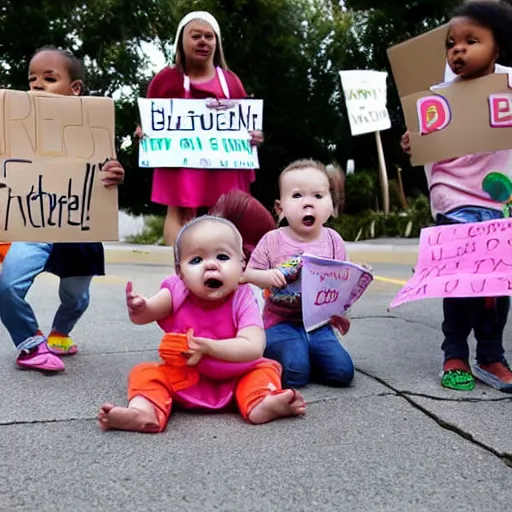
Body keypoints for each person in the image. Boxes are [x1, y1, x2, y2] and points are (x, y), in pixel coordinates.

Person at [98, 216, 306, 433]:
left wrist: (209, 348)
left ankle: (261, 403)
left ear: (242, 264)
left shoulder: (242, 297)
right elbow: (147, 314)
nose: (211, 265)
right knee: (144, 373)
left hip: (238, 374)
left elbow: (254, 347)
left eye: (223, 256)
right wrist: (140, 307)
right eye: (196, 260)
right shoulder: (177, 290)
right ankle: (144, 410)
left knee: (265, 369)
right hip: (188, 375)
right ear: (180, 272)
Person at [400, 1, 512, 392]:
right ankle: (455, 353)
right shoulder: (436, 97)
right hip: (453, 199)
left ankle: (492, 355)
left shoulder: (511, 85)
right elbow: (428, 149)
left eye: (471, 40)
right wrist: (415, 143)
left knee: (496, 287)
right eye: (451, 43)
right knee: (460, 283)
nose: (458, 50)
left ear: (498, 47)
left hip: (499, 202)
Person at [0, 46, 125, 373]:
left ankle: (60, 332)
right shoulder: (11, 132)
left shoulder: (94, 134)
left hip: (76, 228)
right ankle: (29, 343)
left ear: (75, 90)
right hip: (31, 225)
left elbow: (104, 173)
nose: (37, 85)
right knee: (8, 285)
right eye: (32, 79)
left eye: (49, 78)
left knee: (76, 296)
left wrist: (114, 174)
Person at [139, 11, 264, 247]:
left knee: (227, 216)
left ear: (217, 43)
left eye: (209, 36)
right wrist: (143, 133)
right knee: (180, 213)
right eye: (196, 36)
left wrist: (255, 137)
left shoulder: (231, 81)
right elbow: (149, 120)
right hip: (180, 160)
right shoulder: (165, 79)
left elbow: (247, 123)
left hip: (224, 161)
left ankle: (222, 269)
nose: (203, 41)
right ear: (181, 41)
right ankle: (179, 270)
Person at [243, 159, 354, 389]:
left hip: (319, 323)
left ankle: (310, 352)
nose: (308, 204)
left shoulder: (334, 241)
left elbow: (342, 283)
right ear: (279, 208)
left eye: (318, 196)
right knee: (295, 375)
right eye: (297, 196)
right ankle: (290, 354)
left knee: (343, 372)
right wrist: (268, 275)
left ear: (331, 205)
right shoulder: (272, 240)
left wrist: (343, 312)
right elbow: (247, 274)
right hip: (281, 321)